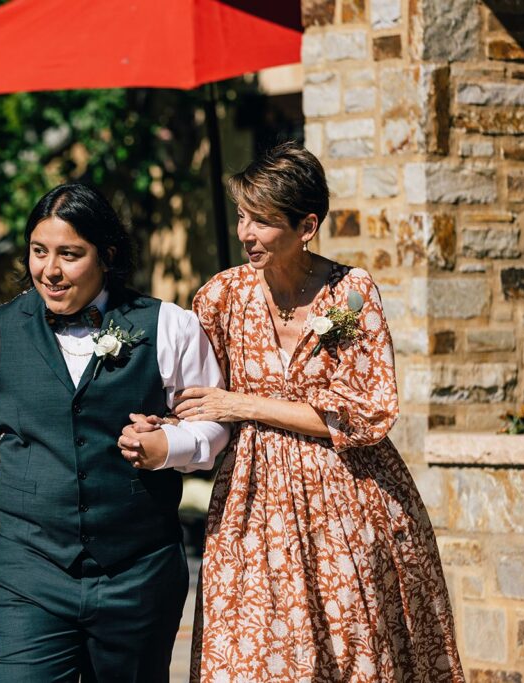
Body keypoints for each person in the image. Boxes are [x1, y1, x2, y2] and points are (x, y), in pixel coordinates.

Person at [133, 141, 463, 681]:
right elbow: (202, 399)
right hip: (253, 502)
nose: (245, 234)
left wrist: (243, 403)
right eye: (242, 216)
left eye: (262, 221)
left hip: (350, 503)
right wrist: (166, 424)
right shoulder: (221, 296)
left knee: (351, 648)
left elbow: (365, 415)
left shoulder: (352, 294)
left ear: (306, 226)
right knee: (253, 655)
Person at [0, 183, 230, 682]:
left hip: (139, 575)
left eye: (70, 254)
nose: (50, 270)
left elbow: (214, 424)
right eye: (39, 252)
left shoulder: (169, 325)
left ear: (106, 255)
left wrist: (167, 446)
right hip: (27, 575)